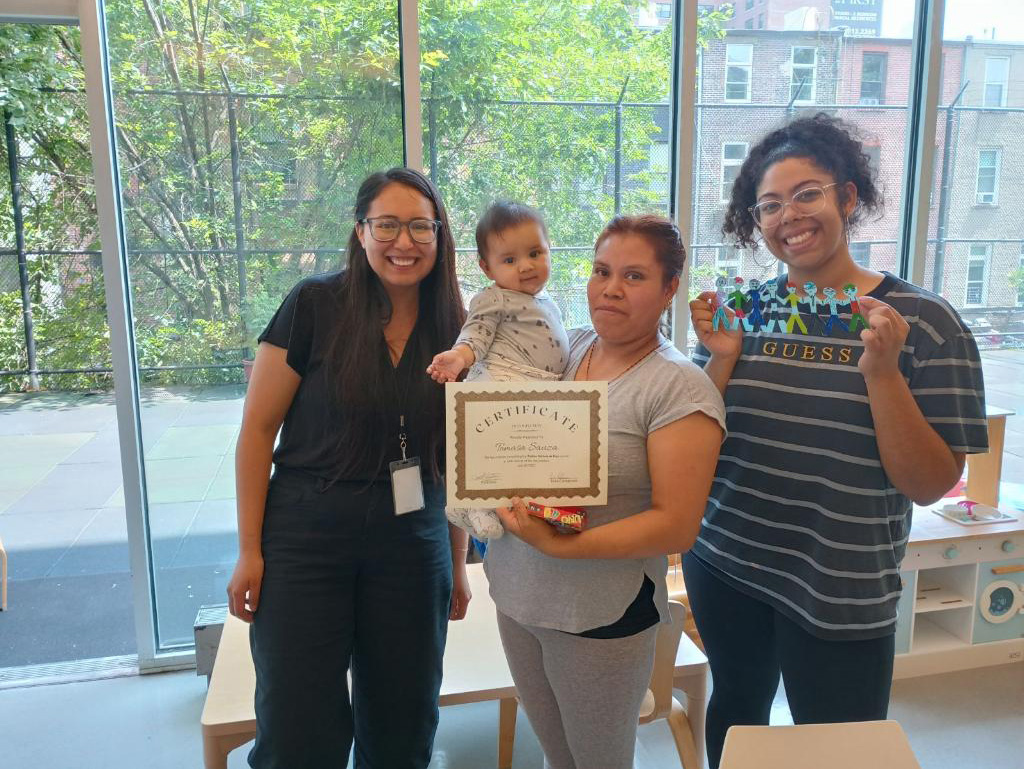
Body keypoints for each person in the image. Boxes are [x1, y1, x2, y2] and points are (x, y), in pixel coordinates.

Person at [686, 113, 988, 769]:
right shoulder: (744, 309)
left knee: (840, 747)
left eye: (807, 193)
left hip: (841, 584)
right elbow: (696, 440)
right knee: (736, 705)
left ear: (848, 197)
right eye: (768, 205)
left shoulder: (926, 322)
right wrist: (718, 357)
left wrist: (882, 373)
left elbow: (930, 482)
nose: (788, 215)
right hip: (726, 559)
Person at [226, 167, 472, 769]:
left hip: (413, 537)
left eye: (420, 226)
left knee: (404, 713)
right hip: (306, 532)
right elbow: (258, 432)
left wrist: (458, 563)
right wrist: (249, 550)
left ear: (440, 236)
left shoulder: (459, 325)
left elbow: (463, 453)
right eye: (386, 225)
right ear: (360, 232)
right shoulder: (314, 304)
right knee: (296, 716)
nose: (403, 242)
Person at [491, 214, 726, 769]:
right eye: (601, 271)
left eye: (634, 276)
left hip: (599, 617)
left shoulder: (677, 387)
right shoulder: (563, 350)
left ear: (670, 290)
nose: (610, 288)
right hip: (519, 598)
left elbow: (677, 525)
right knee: (557, 758)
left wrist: (562, 547)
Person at [427, 201, 570, 540]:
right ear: (487, 268)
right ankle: (473, 507)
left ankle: (511, 506)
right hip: (503, 379)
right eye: (509, 260)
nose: (526, 266)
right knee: (490, 453)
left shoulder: (547, 300)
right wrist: (460, 357)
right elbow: (476, 332)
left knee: (521, 457)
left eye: (535, 253)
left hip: (535, 388)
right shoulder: (494, 298)